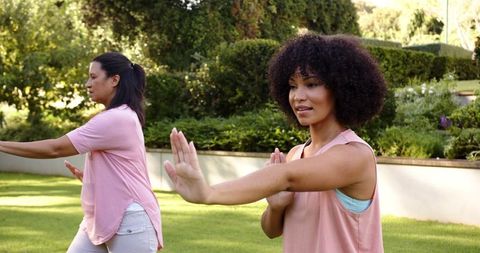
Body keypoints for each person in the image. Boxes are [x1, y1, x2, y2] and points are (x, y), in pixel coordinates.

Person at [163, 34, 386, 253]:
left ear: (340, 88)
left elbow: (285, 176)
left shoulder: (355, 155)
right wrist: (276, 207)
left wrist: (209, 193)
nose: (298, 96)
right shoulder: (296, 155)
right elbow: (270, 230)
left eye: (311, 84)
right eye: (292, 86)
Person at [0, 52, 163, 252]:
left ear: (114, 80)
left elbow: (55, 148)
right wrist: (97, 180)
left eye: (93, 77)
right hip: (101, 215)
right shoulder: (119, 116)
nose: (87, 83)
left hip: (130, 218)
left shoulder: (116, 118)